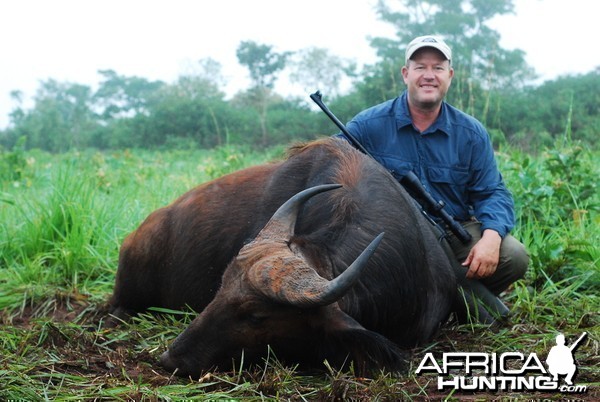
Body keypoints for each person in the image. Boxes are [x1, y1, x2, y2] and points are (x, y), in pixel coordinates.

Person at [336, 35, 529, 319]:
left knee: (513, 255)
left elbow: (492, 192)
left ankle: (442, 302)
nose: (429, 75)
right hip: (391, 239)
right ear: (405, 74)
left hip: (450, 234)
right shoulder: (368, 125)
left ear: (449, 76)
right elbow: (326, 162)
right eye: (420, 67)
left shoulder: (471, 133)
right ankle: (436, 304)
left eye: (438, 68)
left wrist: (490, 238)